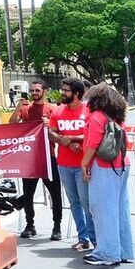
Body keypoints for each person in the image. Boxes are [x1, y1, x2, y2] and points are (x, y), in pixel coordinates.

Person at [81, 83, 133, 266]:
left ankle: (107, 253)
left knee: (103, 210)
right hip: (122, 165)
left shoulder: (96, 117)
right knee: (121, 209)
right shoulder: (117, 117)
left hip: (104, 167)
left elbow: (92, 143)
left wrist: (84, 163)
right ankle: (124, 251)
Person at [8, 81, 61, 240]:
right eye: (31, 90)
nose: (34, 92)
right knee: (28, 193)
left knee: (55, 193)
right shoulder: (25, 109)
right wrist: (18, 107)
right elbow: (12, 124)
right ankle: (29, 225)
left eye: (37, 90)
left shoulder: (53, 110)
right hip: (30, 158)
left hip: (48, 156)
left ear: (45, 91)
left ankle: (56, 226)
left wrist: (49, 124)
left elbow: (59, 131)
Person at [47, 78, 94, 252]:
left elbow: (94, 133)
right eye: (63, 90)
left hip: (84, 164)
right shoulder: (58, 111)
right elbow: (51, 133)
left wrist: (74, 139)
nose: (62, 93)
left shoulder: (88, 110)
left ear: (76, 93)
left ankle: (95, 239)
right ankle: (83, 238)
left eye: (66, 90)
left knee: (86, 202)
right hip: (64, 165)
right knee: (74, 202)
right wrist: (65, 142)